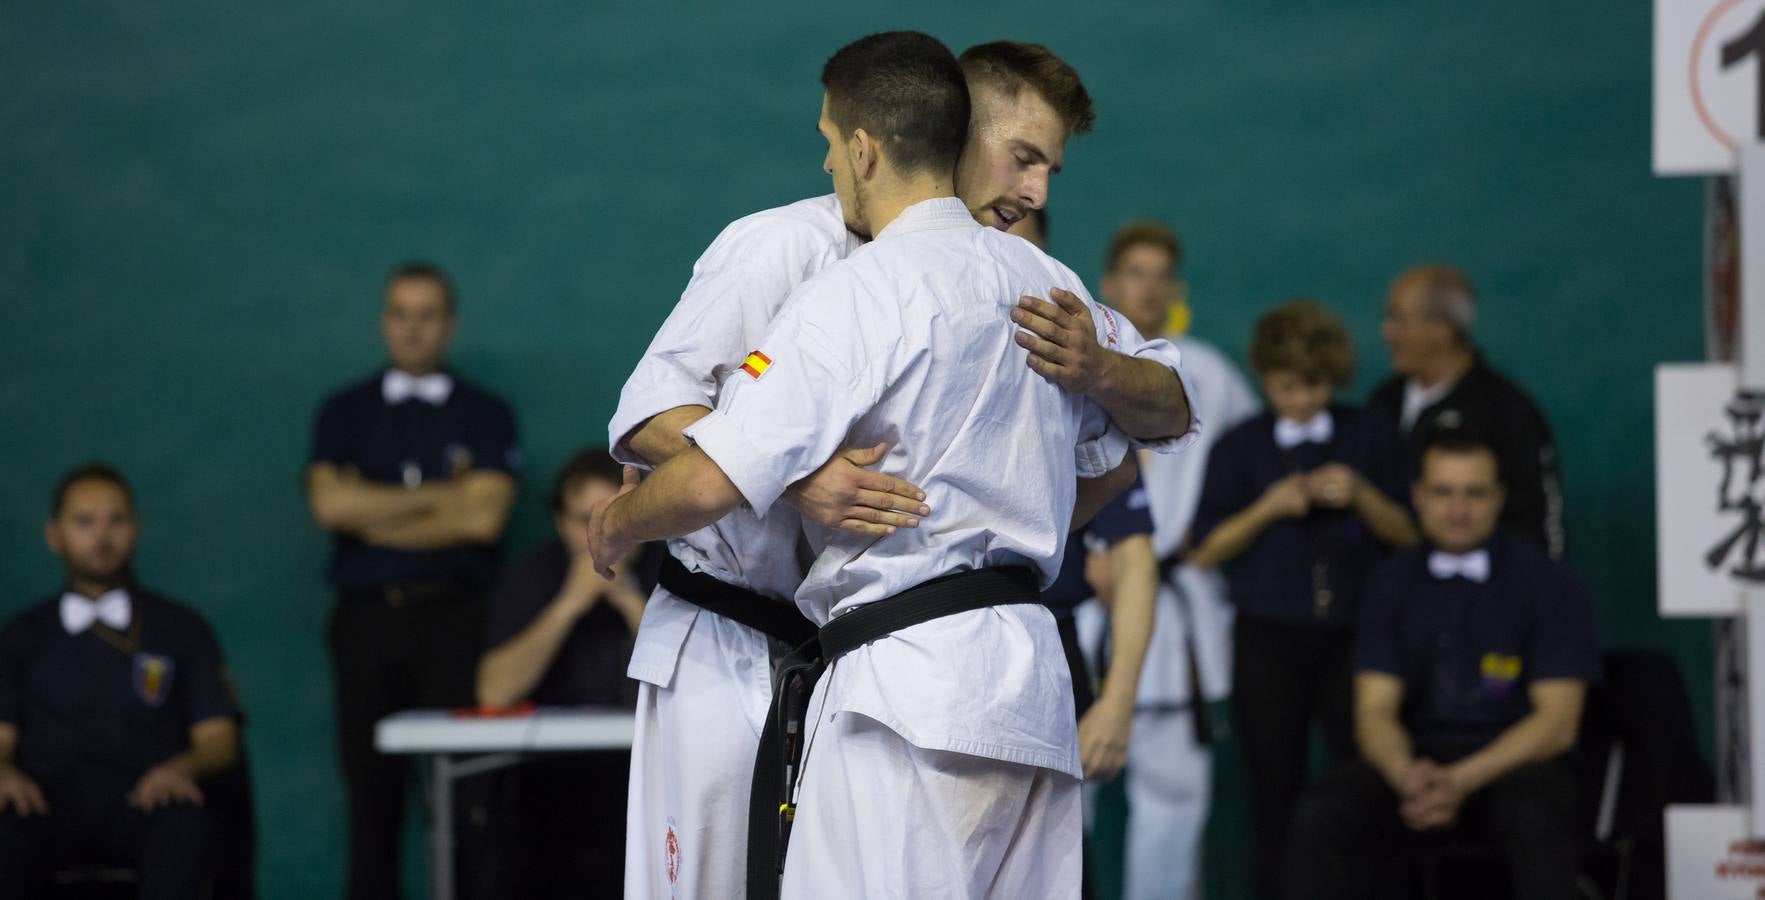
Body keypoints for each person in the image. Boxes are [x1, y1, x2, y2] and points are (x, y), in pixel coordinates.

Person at [590, 31, 1195, 899]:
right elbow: (649, 413)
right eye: (1022, 159)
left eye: (1049, 173)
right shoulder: (788, 248)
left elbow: (1160, 415)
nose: (1031, 192)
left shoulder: (1023, 279)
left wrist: (1002, 505)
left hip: (887, 657)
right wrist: (800, 476)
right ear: (955, 129)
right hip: (737, 640)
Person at [1283, 435, 1599, 900]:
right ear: (1418, 496)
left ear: (1499, 498)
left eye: (1474, 493)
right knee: (1323, 811)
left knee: (1533, 809)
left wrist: (1460, 781)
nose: (1458, 509)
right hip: (1415, 766)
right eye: (1443, 492)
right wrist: (1409, 777)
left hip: (1511, 766)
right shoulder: (1388, 583)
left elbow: (1558, 725)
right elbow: (1374, 712)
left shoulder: (1549, 584)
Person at [304, 261, 520, 900]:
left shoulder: (486, 412)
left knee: (467, 793)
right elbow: (328, 509)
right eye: (401, 313)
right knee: (371, 799)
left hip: (457, 618)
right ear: (384, 322)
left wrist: (370, 510)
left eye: (426, 315)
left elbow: (483, 519)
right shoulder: (343, 411)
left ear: (447, 325)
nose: (413, 328)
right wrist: (439, 501)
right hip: (364, 619)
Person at [1190, 299, 1416, 900]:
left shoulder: (1368, 434)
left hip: (1357, 642)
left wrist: (1364, 497)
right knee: (1274, 792)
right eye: (1288, 387)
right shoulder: (1240, 448)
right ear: (1265, 379)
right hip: (1268, 642)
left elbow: (1413, 535)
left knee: (1363, 784)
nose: (1302, 400)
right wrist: (1268, 507)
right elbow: (1205, 549)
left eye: (1315, 386)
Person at [1075, 220, 1262, 900]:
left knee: (1175, 801)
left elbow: (1250, 470)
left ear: (1175, 291)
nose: (1147, 288)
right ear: (1109, 282)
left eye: (1161, 276)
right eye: (1134, 273)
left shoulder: (1207, 373)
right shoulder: (1075, 359)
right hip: (1083, 600)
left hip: (1177, 605)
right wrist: (1082, 552)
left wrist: (1206, 540)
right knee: (1060, 802)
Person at [0, 463, 241, 900]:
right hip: (46, 806)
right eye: (84, 521)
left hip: (149, 804)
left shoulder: (181, 628)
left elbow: (218, 740)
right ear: (54, 535)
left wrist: (180, 768)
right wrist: (3, 773)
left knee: (185, 827)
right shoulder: (20, 635)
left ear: (137, 529)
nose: (102, 537)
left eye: (116, 520)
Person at [471, 448, 647, 897]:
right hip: (545, 784)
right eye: (581, 519)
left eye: (616, 515)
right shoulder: (533, 575)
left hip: (642, 779)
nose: (599, 532)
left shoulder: (673, 571)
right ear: (558, 521)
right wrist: (569, 603)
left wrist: (630, 602)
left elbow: (694, 689)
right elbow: (494, 692)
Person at [1366, 265, 1565, 558]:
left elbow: (1543, 527)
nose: (1386, 331)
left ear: (1441, 330)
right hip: (1395, 595)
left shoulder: (1507, 411)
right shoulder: (1384, 401)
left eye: (1398, 319)